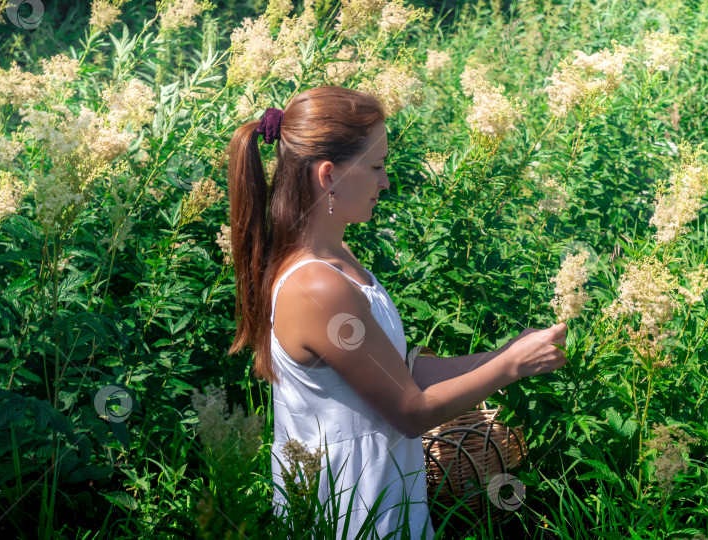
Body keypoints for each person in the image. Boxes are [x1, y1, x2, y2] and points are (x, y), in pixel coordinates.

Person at [224, 85, 569, 539]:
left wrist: (500, 353)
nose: (386, 181)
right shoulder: (317, 286)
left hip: (382, 501)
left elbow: (399, 371)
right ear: (329, 176)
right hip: (351, 514)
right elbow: (411, 413)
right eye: (376, 165)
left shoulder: (336, 260)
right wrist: (511, 368)